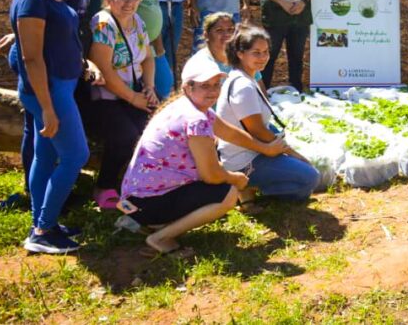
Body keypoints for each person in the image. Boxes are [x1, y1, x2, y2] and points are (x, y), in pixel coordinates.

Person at [119, 56, 287, 257]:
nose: (213, 91)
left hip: (137, 199)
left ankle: (155, 225)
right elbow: (211, 175)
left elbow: (230, 133)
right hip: (147, 204)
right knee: (228, 193)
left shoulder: (186, 106)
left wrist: (264, 148)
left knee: (221, 186)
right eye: (205, 86)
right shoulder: (196, 119)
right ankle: (160, 237)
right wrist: (236, 178)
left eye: (216, 85)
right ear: (188, 88)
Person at [9, 0, 90, 254]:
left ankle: (43, 223)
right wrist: (47, 107)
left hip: (61, 84)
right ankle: (42, 230)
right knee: (75, 155)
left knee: (45, 156)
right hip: (49, 89)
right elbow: (31, 57)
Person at [216, 25, 320, 202]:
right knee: (310, 178)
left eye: (265, 52)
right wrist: (291, 152)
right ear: (240, 54)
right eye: (256, 53)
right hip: (243, 160)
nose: (263, 57)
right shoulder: (243, 87)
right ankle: (250, 186)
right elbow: (256, 130)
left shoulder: (245, 77)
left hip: (253, 151)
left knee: (305, 172)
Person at [83, 0, 155, 210]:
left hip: (133, 91)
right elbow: (103, 70)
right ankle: (104, 186)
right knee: (125, 136)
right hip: (104, 96)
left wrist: (149, 88)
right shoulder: (104, 24)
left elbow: (148, 57)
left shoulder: (137, 21)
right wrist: (134, 99)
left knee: (152, 131)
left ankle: (143, 184)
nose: (129, 2)